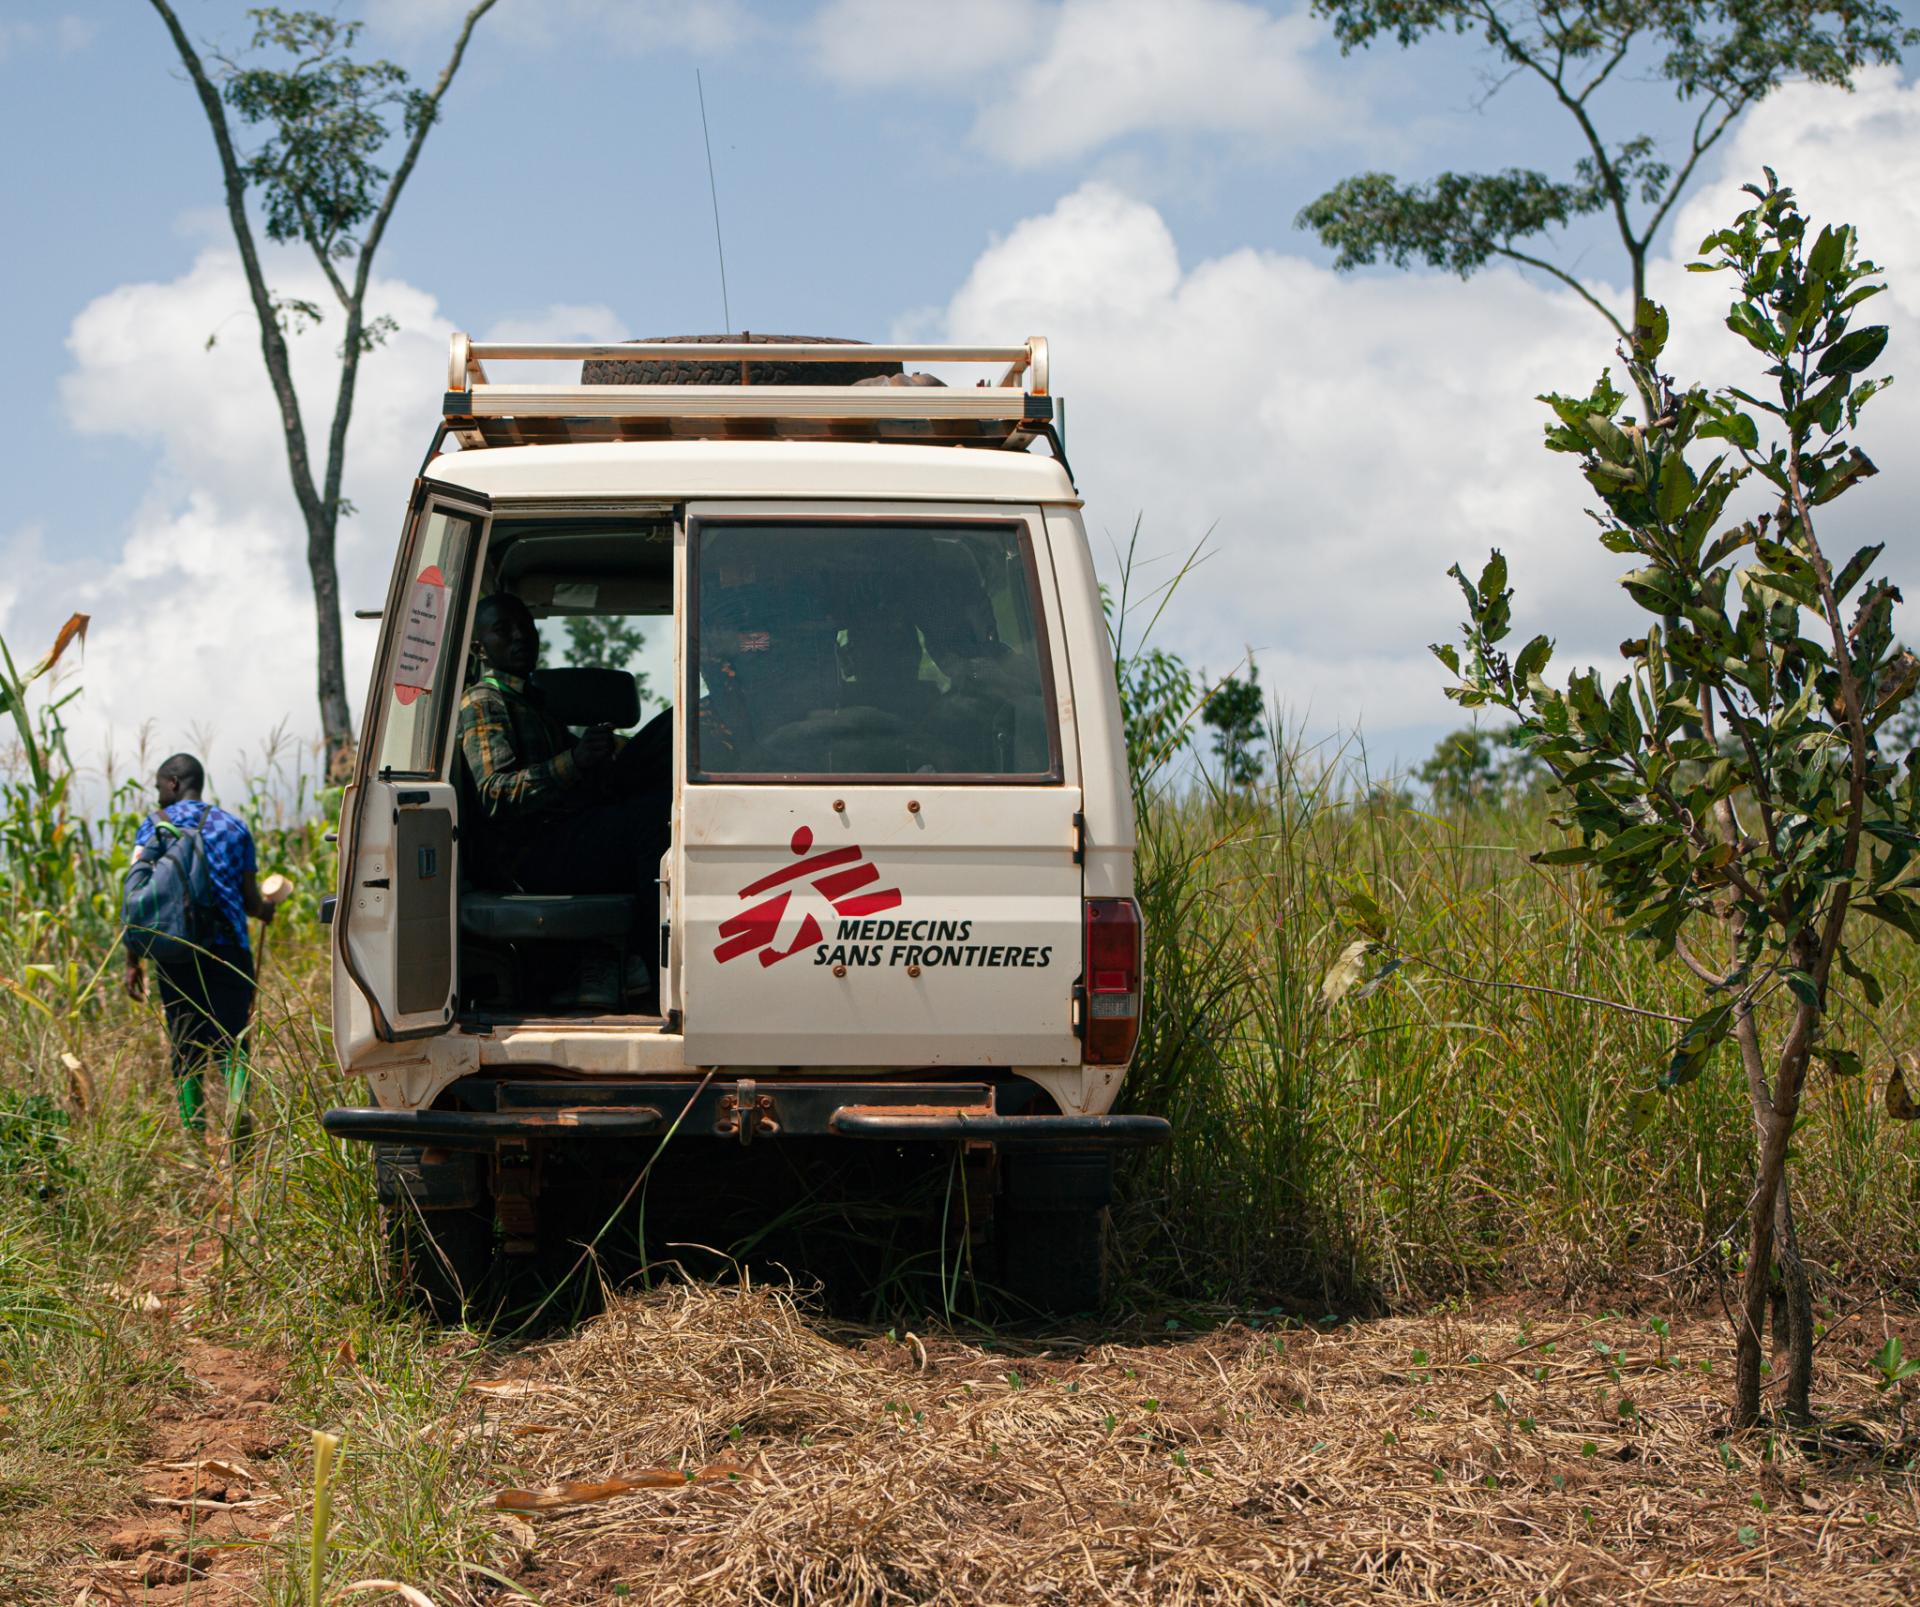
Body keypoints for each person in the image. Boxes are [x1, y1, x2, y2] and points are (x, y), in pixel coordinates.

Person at [458, 594, 668, 894]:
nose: (520, 636)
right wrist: (575, 759)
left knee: (665, 742)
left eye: (525, 626)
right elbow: (495, 794)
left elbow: (581, 770)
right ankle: (649, 939)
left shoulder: (533, 704)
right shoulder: (485, 700)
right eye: (503, 629)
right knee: (652, 820)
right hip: (528, 857)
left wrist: (604, 752)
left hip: (563, 836)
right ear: (480, 650)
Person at [123, 753, 276, 1135]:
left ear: (174, 782)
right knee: (233, 1041)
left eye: (159, 785)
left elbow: (139, 899)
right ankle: (238, 1111)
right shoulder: (234, 827)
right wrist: (267, 911)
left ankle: (195, 1137)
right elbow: (250, 899)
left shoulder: (154, 827)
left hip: (176, 953)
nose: (158, 795)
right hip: (229, 951)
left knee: (186, 1046)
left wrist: (133, 960)